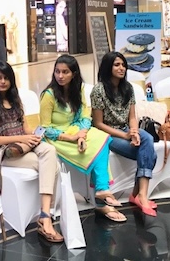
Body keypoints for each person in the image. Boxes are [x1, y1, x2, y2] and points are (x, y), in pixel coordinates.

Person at [0, 61, 63, 242]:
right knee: (52, 166)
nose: (2, 82)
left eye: (6, 78)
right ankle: (47, 216)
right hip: (5, 151)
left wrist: (33, 135)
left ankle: (44, 215)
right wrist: (22, 139)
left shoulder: (15, 99)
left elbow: (25, 129)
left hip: (25, 144)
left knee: (49, 149)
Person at [40, 55, 127, 222]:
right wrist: (71, 138)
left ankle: (101, 193)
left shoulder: (78, 90)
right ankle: (102, 197)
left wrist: (82, 135)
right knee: (98, 147)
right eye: (57, 72)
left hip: (75, 131)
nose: (60, 76)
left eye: (65, 72)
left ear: (74, 74)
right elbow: (44, 129)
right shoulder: (49, 95)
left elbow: (85, 117)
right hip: (56, 138)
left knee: (103, 138)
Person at [91, 52, 158, 217]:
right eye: (117, 65)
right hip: (108, 133)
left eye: (123, 65)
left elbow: (133, 117)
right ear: (108, 67)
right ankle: (138, 195)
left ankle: (140, 194)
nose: (121, 68)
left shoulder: (128, 88)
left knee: (147, 139)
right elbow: (98, 124)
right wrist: (126, 136)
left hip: (126, 129)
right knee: (150, 154)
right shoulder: (99, 90)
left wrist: (134, 132)